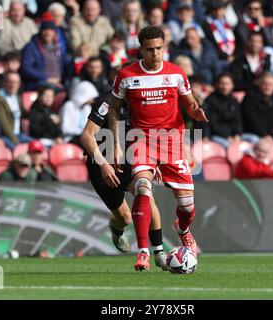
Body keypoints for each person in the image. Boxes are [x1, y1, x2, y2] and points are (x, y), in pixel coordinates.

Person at [108, 26, 207, 271]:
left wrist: (195, 110)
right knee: (142, 187)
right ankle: (143, 252)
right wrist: (117, 145)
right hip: (141, 140)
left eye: (159, 48)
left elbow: (190, 102)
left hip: (172, 142)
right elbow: (113, 109)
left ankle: (183, 229)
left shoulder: (176, 73)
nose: (155, 54)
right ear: (141, 49)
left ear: (164, 47)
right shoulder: (127, 75)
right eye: (150, 49)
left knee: (187, 206)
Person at [80, 90, 167, 269]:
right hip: (101, 164)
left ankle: (159, 253)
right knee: (125, 217)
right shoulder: (106, 103)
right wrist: (103, 165)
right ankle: (116, 227)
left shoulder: (145, 103)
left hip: (131, 159)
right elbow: (87, 136)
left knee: (146, 197)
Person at [241, 72, 273, 142]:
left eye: (271, 85)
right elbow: (252, 120)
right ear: (260, 84)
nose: (268, 87)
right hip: (252, 134)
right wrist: (265, 135)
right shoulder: (250, 97)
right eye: (265, 84)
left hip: (269, 136)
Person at [202, 73, 242, 148]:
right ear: (217, 84)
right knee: (231, 147)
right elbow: (212, 123)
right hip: (216, 136)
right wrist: (226, 136)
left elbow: (238, 120)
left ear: (232, 85)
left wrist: (237, 134)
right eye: (222, 83)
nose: (224, 87)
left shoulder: (234, 101)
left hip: (232, 136)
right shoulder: (210, 100)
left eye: (227, 84)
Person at [0, 71, 32, 150]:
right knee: (19, 152)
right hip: (6, 136)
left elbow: (24, 113)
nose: (13, 85)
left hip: (19, 134)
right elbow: (3, 123)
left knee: (37, 146)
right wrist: (16, 141)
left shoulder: (17, 97)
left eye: (16, 82)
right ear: (4, 83)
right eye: (10, 82)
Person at [60, 81, 98, 145]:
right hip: (70, 138)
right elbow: (65, 128)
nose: (92, 101)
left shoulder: (87, 108)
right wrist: (81, 132)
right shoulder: (68, 106)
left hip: (84, 137)